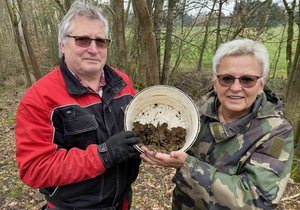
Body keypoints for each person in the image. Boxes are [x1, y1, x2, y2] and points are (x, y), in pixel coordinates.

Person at [15, 1, 141, 209]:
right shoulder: (40, 98)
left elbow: (137, 130)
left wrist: (148, 148)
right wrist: (105, 154)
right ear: (62, 45)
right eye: (82, 40)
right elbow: (34, 168)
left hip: (122, 202)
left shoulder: (123, 83)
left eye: (100, 41)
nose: (93, 49)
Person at [140, 39, 294, 209]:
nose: (235, 88)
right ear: (215, 82)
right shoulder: (198, 110)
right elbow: (172, 143)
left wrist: (188, 166)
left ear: (260, 85)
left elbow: (257, 199)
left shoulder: (277, 132)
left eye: (247, 80)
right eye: (226, 79)